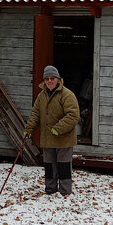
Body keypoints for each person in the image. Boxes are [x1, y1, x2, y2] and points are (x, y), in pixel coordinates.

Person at [22, 65, 80, 196]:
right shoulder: (41, 96)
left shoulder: (67, 95)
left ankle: (65, 192)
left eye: (52, 78)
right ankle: (50, 190)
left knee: (63, 166)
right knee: (49, 166)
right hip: (48, 138)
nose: (49, 81)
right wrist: (29, 129)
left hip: (63, 139)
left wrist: (58, 129)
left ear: (58, 79)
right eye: (47, 79)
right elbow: (35, 114)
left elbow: (73, 115)